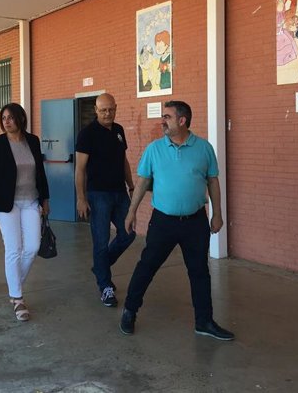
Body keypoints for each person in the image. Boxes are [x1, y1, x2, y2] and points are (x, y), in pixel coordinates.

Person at [119, 100, 234, 341]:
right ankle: (130, 310)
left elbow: (213, 181)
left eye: (167, 117)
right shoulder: (154, 149)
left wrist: (217, 213)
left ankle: (204, 321)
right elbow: (142, 182)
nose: (163, 121)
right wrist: (131, 212)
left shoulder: (204, 148)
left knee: (199, 271)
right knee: (147, 266)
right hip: (163, 222)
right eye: (163, 116)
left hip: (195, 222)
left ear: (182, 121)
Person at [0, 103, 50, 322]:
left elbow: (40, 172)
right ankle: (18, 298)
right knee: (14, 248)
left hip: (30, 201)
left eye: (10, 117)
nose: (6, 121)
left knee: (33, 247)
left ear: (20, 119)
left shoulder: (33, 141)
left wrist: (45, 198)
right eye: (3, 118)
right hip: (5, 204)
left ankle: (14, 285)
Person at [75, 93, 135, 307]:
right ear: (96, 110)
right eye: (103, 110)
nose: (107, 113)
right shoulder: (87, 134)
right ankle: (105, 286)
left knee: (128, 234)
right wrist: (81, 198)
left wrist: (131, 185)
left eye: (111, 109)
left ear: (116, 108)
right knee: (100, 241)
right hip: (98, 195)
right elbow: (80, 169)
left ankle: (100, 267)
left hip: (120, 193)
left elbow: (124, 161)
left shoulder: (118, 130)